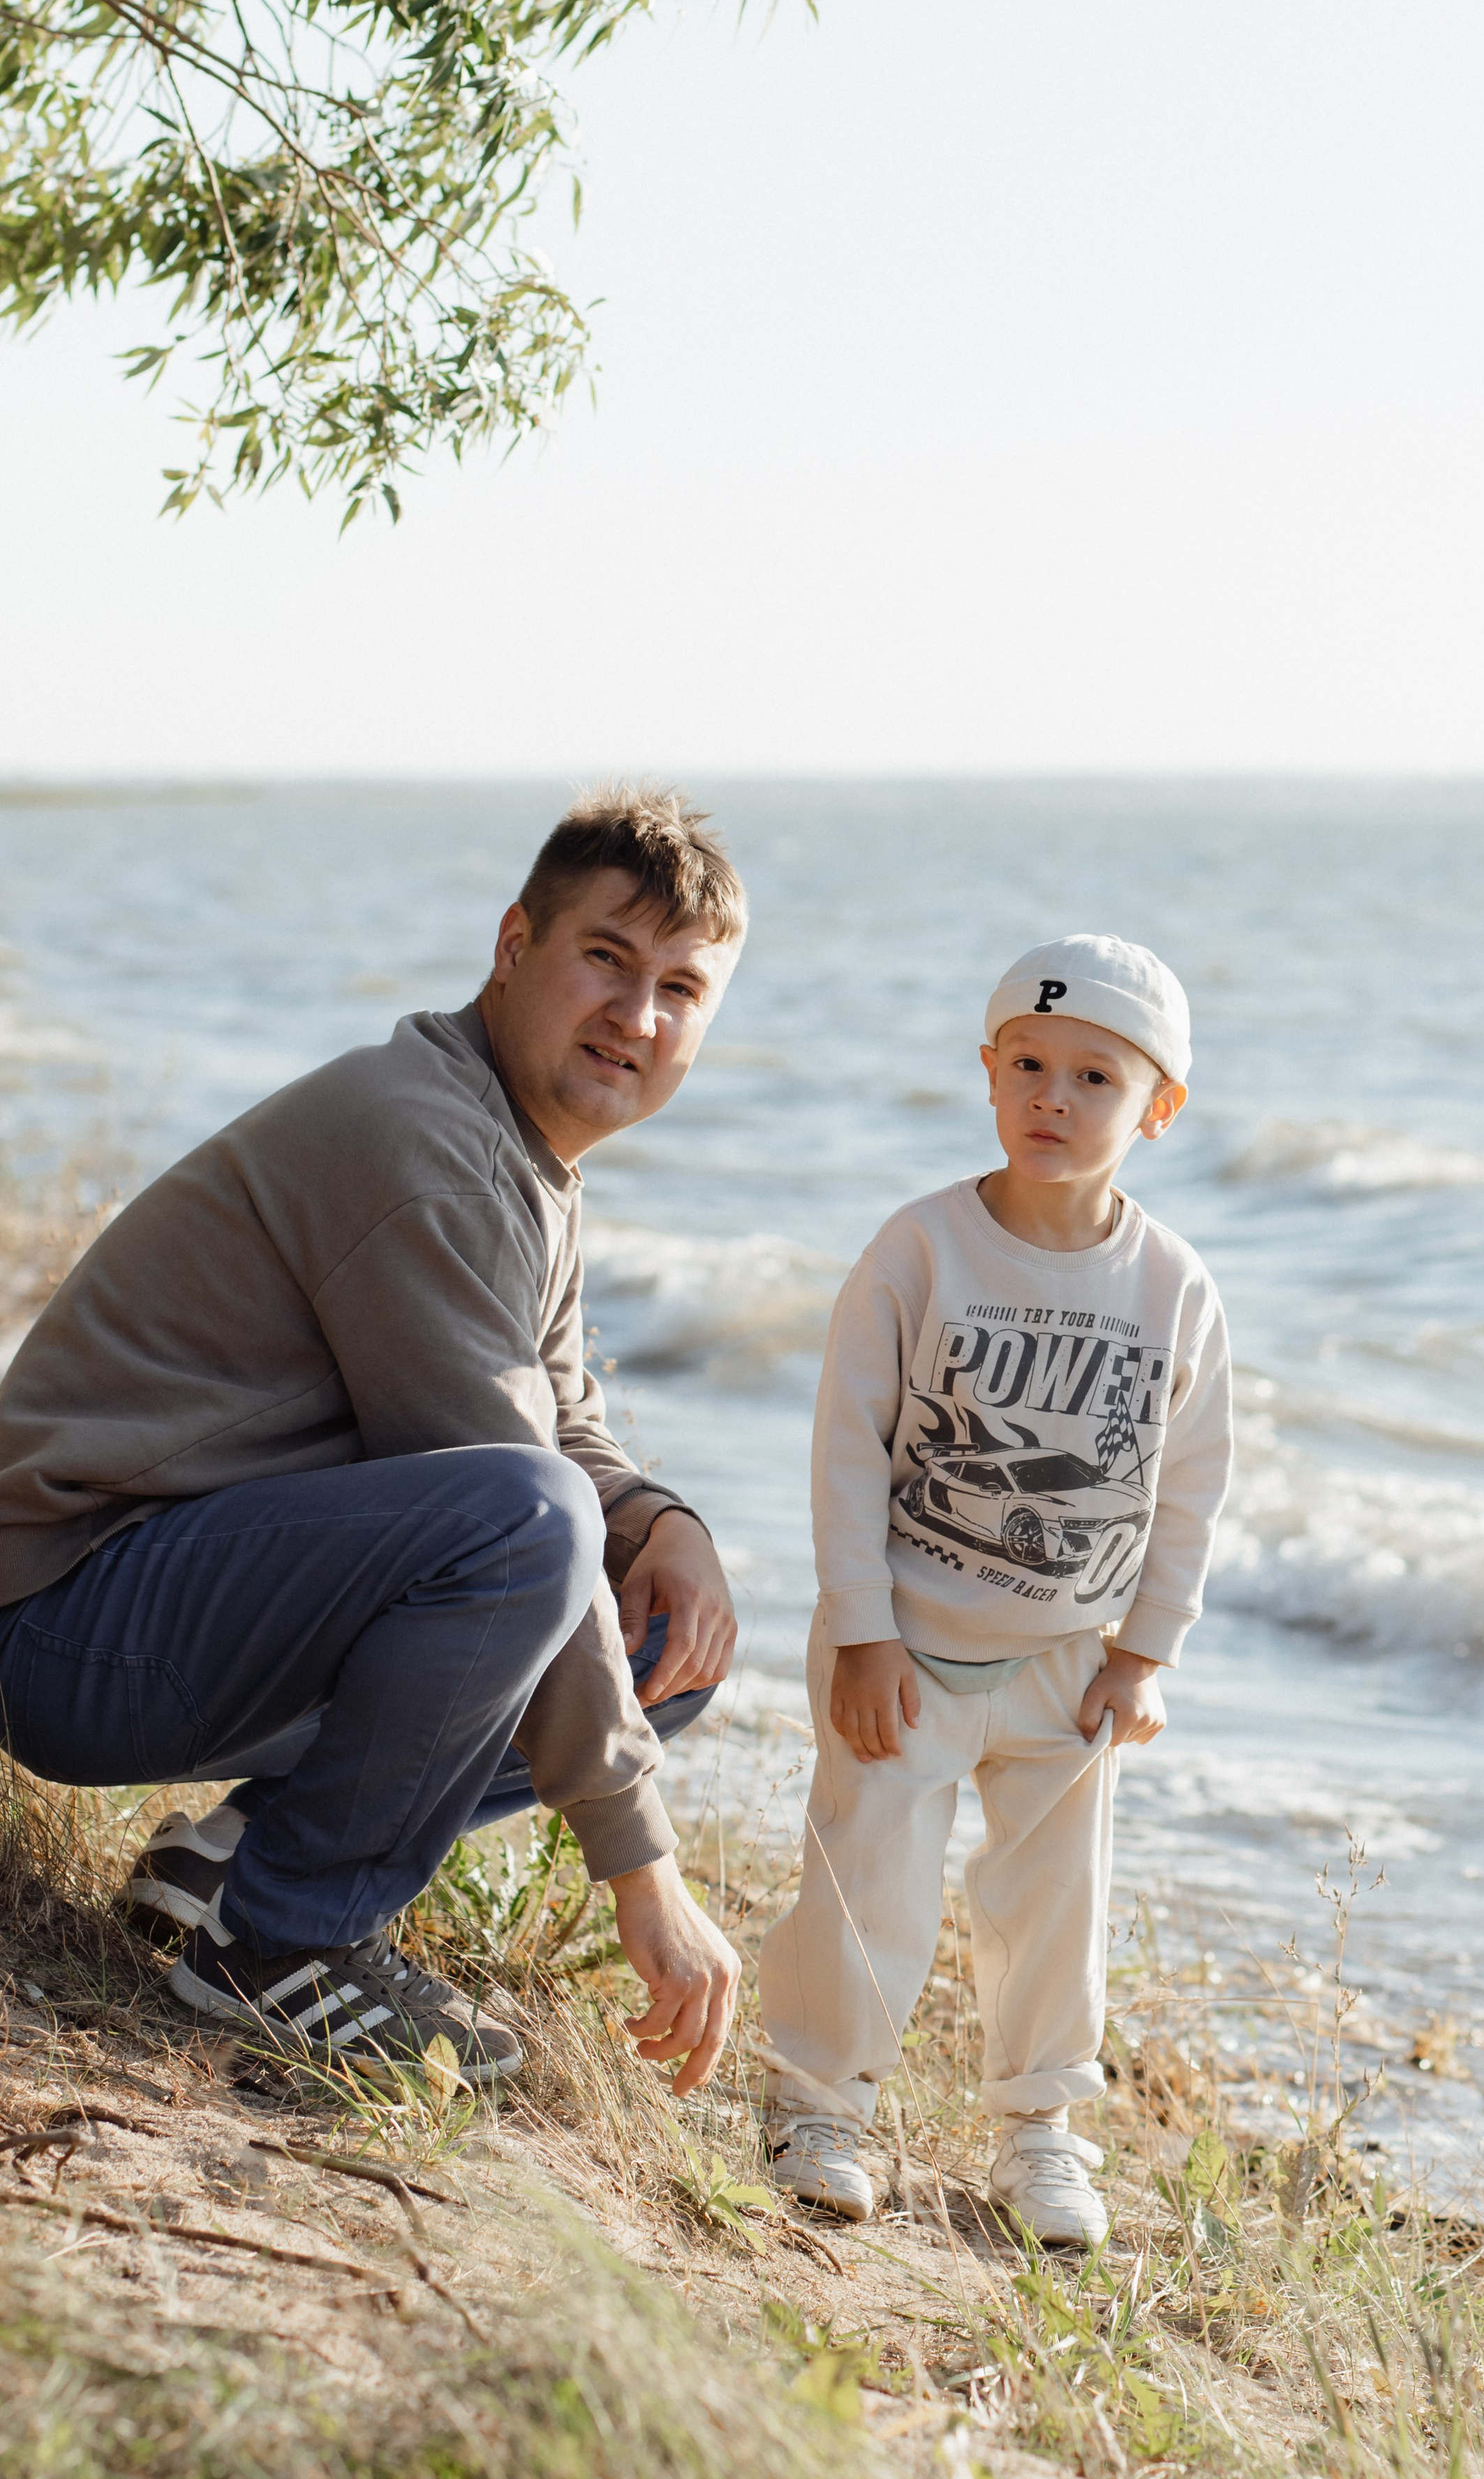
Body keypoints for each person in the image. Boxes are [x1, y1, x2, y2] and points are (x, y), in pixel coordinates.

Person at [0, 787, 744, 2092]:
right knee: (534, 1529)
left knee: (656, 1639)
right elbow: (519, 1497)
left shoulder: (525, 1151)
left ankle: (233, 1871)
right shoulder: (429, 1147)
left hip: (179, 1605)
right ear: (515, 945)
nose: (637, 1018)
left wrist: (658, 1519)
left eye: (681, 989)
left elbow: (556, 1412)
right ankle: (285, 1942)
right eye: (606, 961)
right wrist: (649, 1872)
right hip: (64, 1614)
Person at [757, 934, 1233, 2244]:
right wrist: (860, 1631)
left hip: (1069, 1659)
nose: (1053, 1098)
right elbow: (848, 1450)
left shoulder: (1171, 1286)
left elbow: (1189, 1483)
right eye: (1027, 1063)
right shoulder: (921, 1249)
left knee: (1055, 1906)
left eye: (1095, 1077)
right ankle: (820, 2106)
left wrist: (1148, 1654)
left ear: (1159, 1108)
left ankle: (1038, 2133)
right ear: (987, 1071)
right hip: (902, 1642)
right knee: (869, 1882)